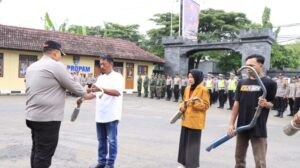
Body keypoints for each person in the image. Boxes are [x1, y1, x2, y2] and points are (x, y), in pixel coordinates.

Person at [25, 40, 87, 168]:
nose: (60, 58)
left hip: (32, 117)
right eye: (60, 54)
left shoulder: (32, 66)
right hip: (48, 119)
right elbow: (77, 89)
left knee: (37, 150)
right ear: (55, 53)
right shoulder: (56, 66)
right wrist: (86, 91)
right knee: (44, 155)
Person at [227, 54, 277, 168]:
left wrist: (265, 104)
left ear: (261, 65)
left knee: (260, 162)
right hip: (242, 126)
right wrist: (231, 124)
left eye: (251, 65)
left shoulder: (270, 83)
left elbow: (272, 104)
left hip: (258, 127)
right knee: (239, 160)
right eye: (246, 66)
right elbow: (236, 103)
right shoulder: (242, 83)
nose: (248, 68)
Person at [79, 55, 123, 168]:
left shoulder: (118, 77)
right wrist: (83, 97)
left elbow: (117, 92)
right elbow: (94, 93)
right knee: (101, 140)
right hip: (100, 114)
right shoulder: (101, 78)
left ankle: (110, 164)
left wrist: (101, 89)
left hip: (112, 114)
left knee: (112, 141)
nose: (101, 66)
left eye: (104, 64)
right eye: (100, 64)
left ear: (111, 63)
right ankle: (101, 162)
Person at [177, 69, 210, 168]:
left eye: (192, 77)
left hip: (195, 122)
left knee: (193, 145)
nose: (190, 79)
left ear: (197, 78)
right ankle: (184, 163)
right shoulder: (187, 88)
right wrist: (181, 106)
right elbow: (184, 101)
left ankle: (192, 165)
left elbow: (206, 105)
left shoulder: (203, 90)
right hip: (186, 119)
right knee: (184, 143)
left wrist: (193, 103)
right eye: (189, 77)